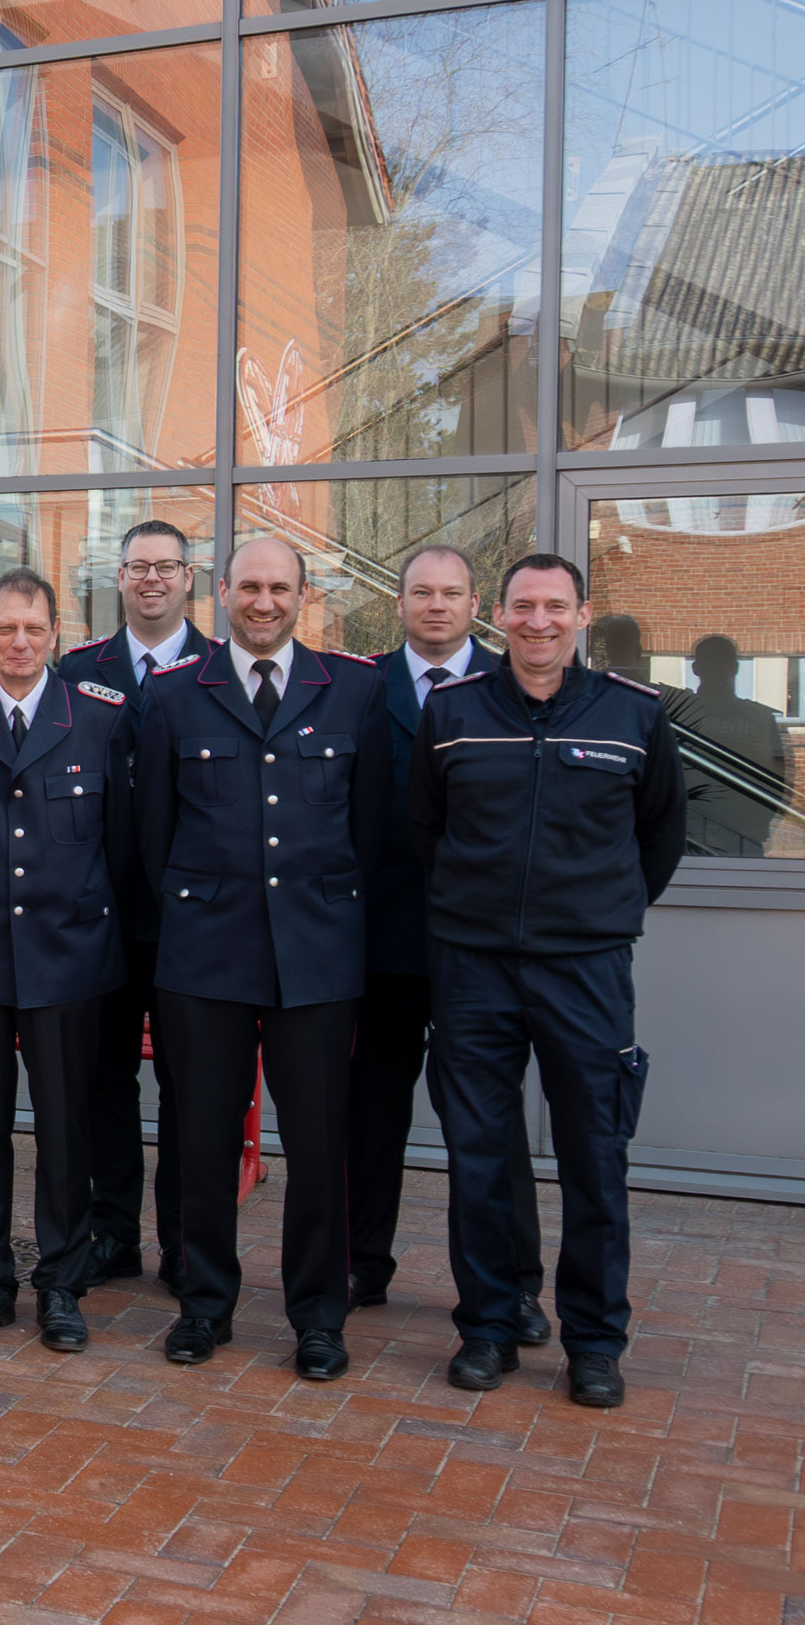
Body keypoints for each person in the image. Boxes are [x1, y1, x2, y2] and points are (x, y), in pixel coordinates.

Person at [413, 555, 686, 1409]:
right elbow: (424, 831)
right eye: (523, 606)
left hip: (587, 970)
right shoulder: (453, 713)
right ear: (499, 615)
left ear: (582, 616)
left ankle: (596, 1342)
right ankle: (490, 1326)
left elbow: (660, 840)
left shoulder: (634, 715)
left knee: (595, 1159)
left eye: (554, 607)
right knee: (480, 1157)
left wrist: (597, 913)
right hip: (473, 969)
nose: (538, 621)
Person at [134, 537, 393, 1378]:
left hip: (315, 958)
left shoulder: (354, 690)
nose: (264, 601)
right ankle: (205, 1306)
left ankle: (318, 1316)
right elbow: (151, 836)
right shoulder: (174, 696)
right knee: (202, 1139)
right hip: (205, 954)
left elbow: (372, 830)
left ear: (304, 595)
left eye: (280, 588)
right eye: (249, 586)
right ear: (221, 593)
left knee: (319, 1145)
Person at [0, 565, 134, 1351]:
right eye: (5, 628)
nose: (19, 642)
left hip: (69, 956)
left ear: (56, 637)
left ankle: (62, 1285)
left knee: (67, 1129)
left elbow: (122, 848)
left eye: (34, 629)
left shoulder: (101, 719)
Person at [347, 544, 514, 1322]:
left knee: (486, 1121)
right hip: (380, 942)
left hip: (480, 945)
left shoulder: (513, 689)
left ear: (475, 603)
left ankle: (509, 1285)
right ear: (401, 603)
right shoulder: (359, 686)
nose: (436, 605)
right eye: (421, 592)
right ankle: (360, 1265)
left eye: (451, 593)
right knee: (371, 1112)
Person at [55, 519, 212, 1288]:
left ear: (190, 579)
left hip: (192, 919)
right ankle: (111, 1232)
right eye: (137, 566)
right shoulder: (78, 670)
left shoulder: (221, 669)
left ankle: (183, 1242)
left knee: (190, 1085)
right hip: (103, 916)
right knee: (103, 1080)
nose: (152, 579)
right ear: (117, 577)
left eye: (167, 566)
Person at [671, 633, 792, 858]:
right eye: (712, 664)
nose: (717, 672)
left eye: (721, 665)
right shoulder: (676, 720)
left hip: (741, 837)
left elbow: (780, 780)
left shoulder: (762, 718)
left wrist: (756, 825)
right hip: (690, 837)